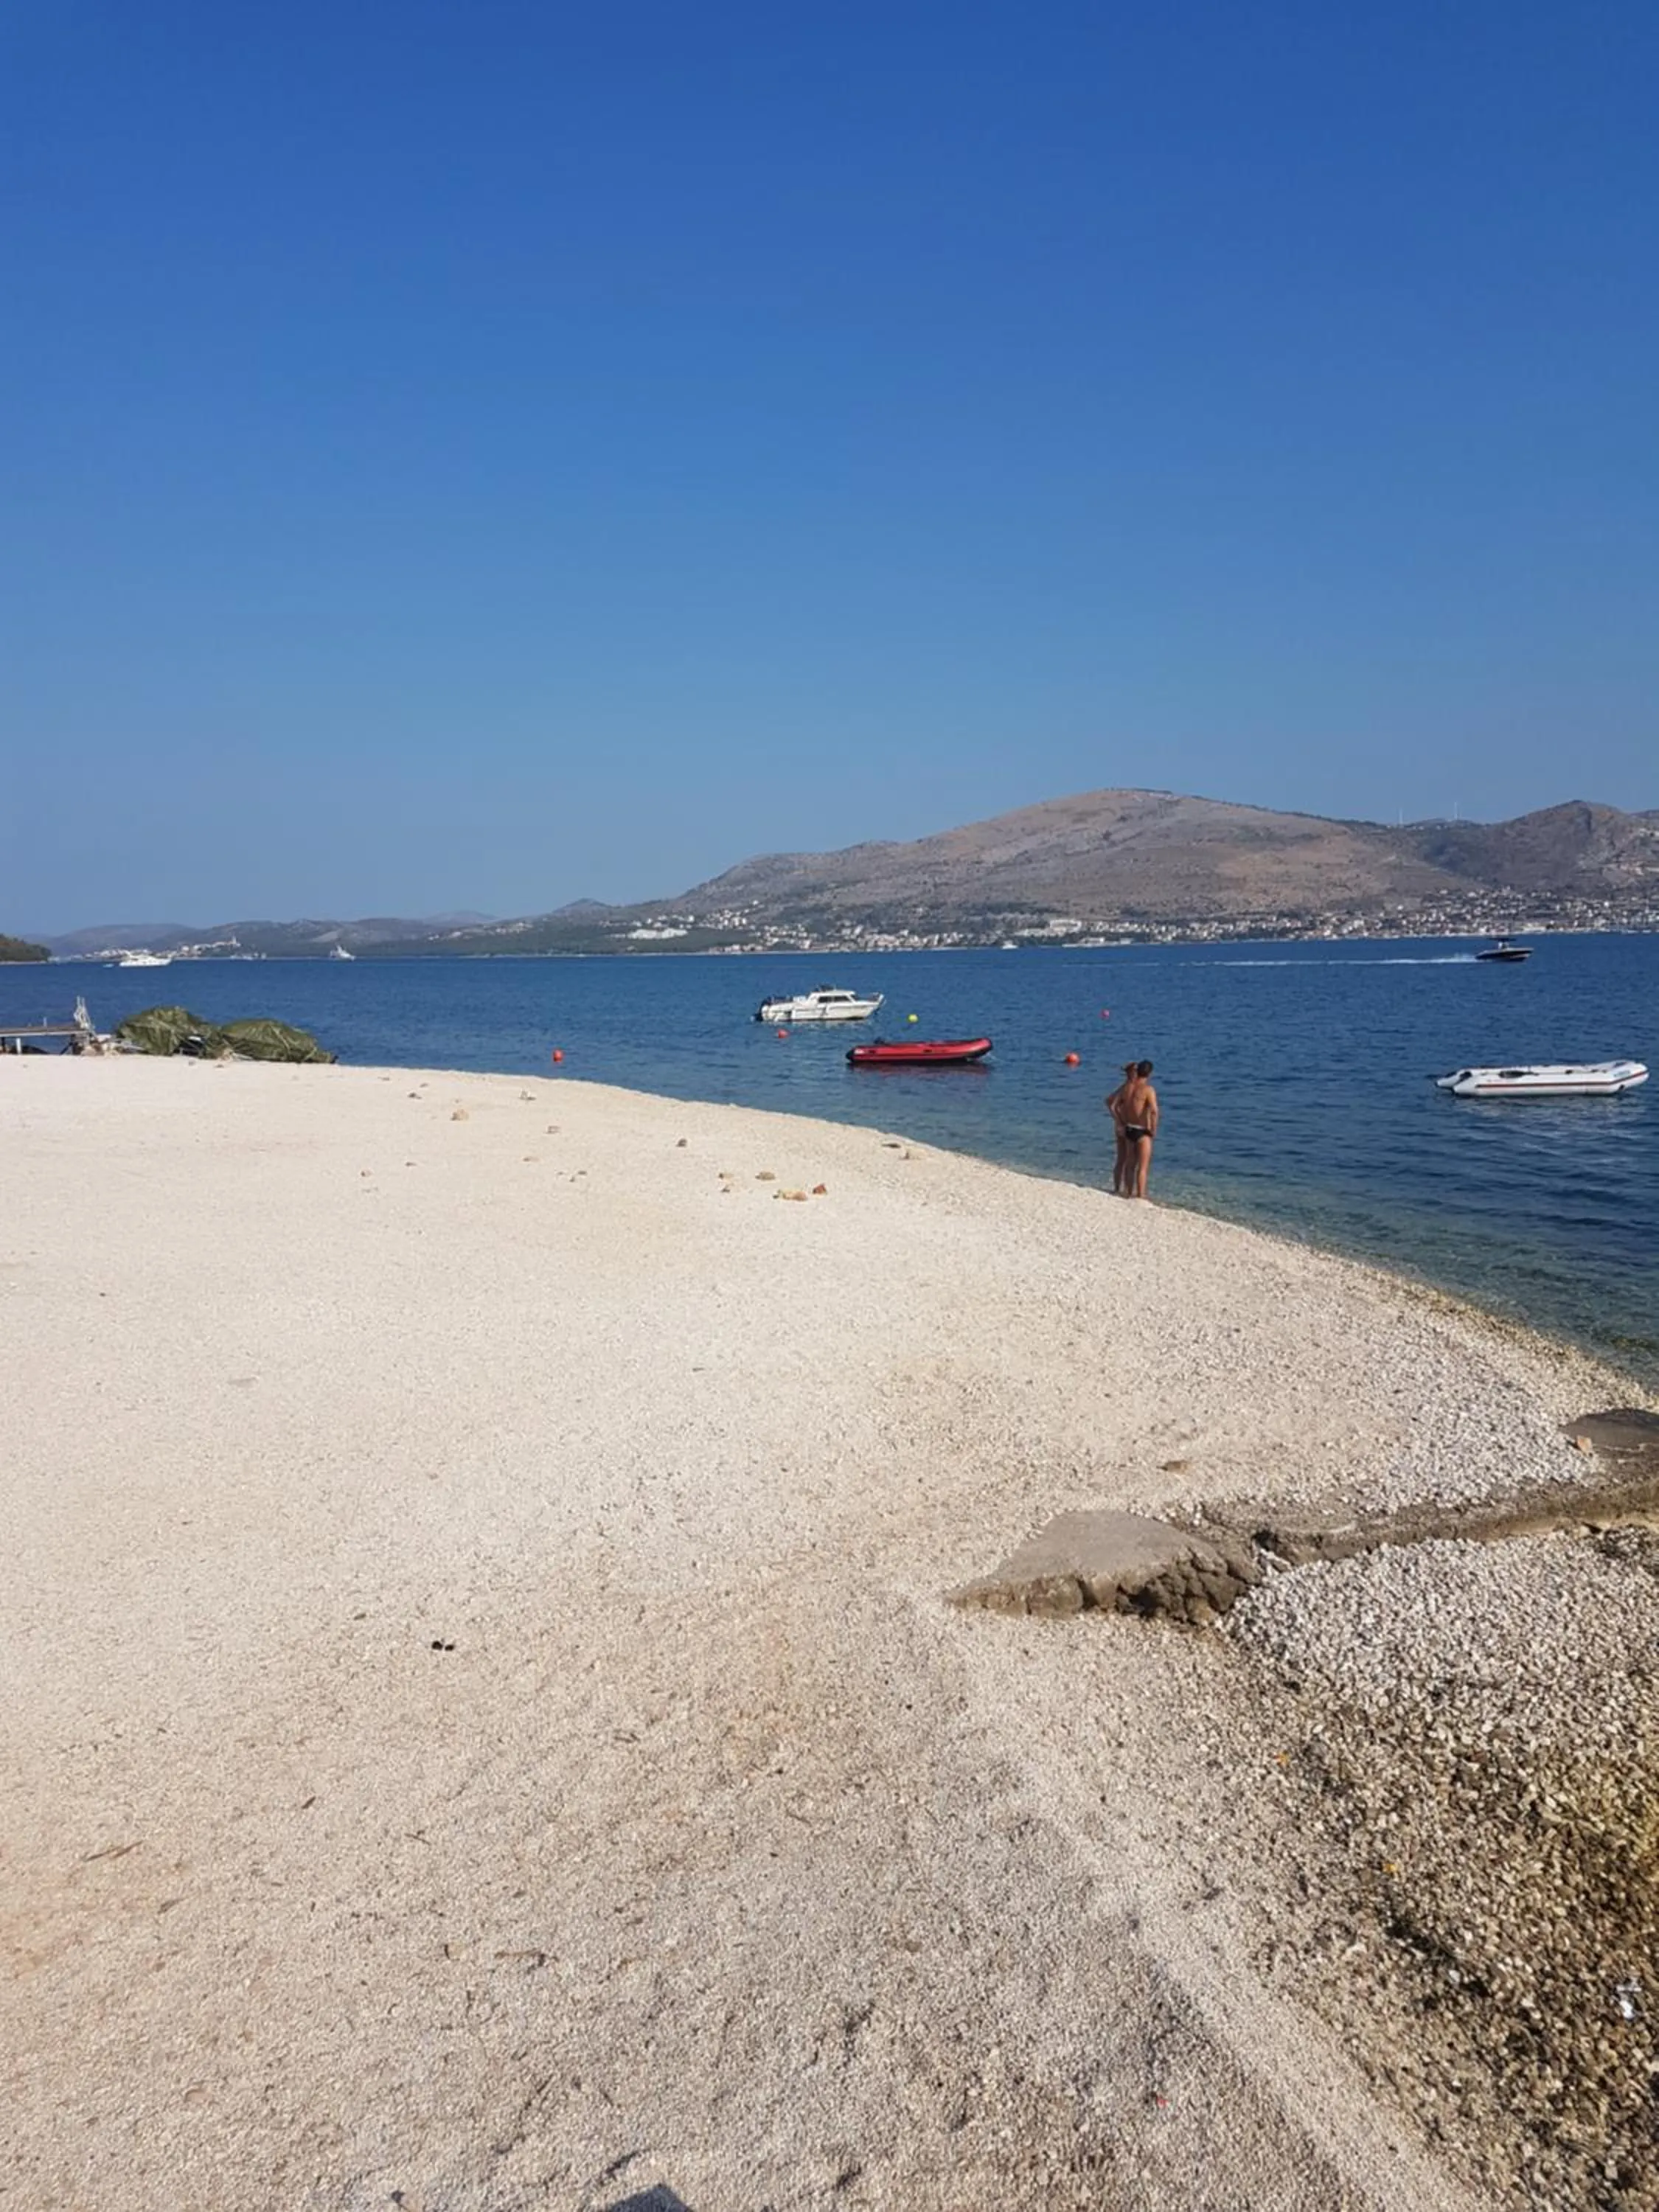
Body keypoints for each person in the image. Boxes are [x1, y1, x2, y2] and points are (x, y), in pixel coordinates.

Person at [1118, 1060, 1159, 1198]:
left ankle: (1128, 1192)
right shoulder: (1148, 1090)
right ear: (1150, 1074)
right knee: (1142, 1167)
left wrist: (1120, 1122)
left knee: (1130, 1164)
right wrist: (1153, 1129)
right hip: (1142, 1130)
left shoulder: (1128, 1088)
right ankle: (1141, 1195)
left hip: (1129, 1128)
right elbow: (1154, 1111)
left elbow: (1117, 1105)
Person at [1105, 1062, 1137, 1192]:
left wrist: (1118, 1119)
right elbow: (1110, 1103)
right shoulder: (1130, 1087)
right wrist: (1119, 1119)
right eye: (1135, 1071)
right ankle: (1125, 1190)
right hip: (1125, 1125)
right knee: (1128, 1160)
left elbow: (1110, 1101)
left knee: (1121, 1159)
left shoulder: (1125, 1086)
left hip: (1121, 1125)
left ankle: (1118, 1188)